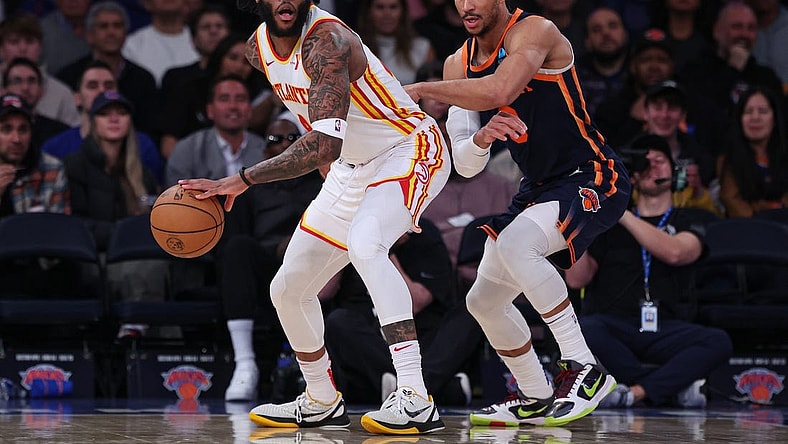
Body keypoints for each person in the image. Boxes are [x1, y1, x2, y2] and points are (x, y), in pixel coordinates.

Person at [179, 0, 450, 435]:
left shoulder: (328, 39)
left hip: (407, 148)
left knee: (366, 245)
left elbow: (325, 143)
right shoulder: (256, 49)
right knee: (287, 288)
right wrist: (330, 153)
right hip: (352, 167)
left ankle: (416, 396)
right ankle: (321, 397)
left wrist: (242, 179)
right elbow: (319, 120)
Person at [404, 0, 631, 427]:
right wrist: (482, 138)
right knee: (483, 302)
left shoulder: (535, 31)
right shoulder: (458, 62)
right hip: (538, 187)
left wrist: (421, 90)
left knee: (516, 243)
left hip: (592, 172)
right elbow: (466, 165)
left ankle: (585, 366)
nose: (467, 6)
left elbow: (500, 91)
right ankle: (535, 393)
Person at [564, 133, 732, 409]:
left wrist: (620, 210)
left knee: (718, 341)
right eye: (646, 162)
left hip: (665, 327)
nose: (653, 166)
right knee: (584, 328)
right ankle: (666, 389)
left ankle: (634, 392)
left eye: (660, 160)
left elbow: (676, 253)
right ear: (632, 175)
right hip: (614, 325)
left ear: (674, 170)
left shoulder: (687, 219)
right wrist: (577, 223)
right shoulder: (605, 223)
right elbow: (577, 278)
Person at [219, 114, 323, 402]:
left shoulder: (322, 181)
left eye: (292, 138)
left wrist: (298, 243)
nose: (284, 144)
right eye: (275, 140)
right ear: (265, 151)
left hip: (314, 263)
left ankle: (316, 373)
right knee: (237, 248)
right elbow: (234, 240)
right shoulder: (250, 187)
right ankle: (245, 363)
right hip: (266, 267)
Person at [41, 60, 164, 184]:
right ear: (77, 98)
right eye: (92, 86)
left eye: (109, 86)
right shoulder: (55, 147)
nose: (101, 91)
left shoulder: (143, 145)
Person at [56, 1, 160, 137]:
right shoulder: (69, 76)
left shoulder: (143, 79)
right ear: (90, 36)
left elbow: (149, 129)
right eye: (103, 26)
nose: (111, 32)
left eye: (117, 26)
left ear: (126, 34)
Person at [165, 74, 266, 188]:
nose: (233, 106)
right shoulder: (186, 150)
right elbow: (176, 197)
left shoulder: (264, 150)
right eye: (224, 99)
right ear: (210, 110)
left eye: (240, 99)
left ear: (249, 109)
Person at [717, 85, 788, 217]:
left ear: (775, 119)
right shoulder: (728, 161)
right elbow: (732, 200)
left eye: (763, 111)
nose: (755, 117)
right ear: (740, 120)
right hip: (748, 231)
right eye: (748, 111)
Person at [0, 13, 81, 127]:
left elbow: (74, 137)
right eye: (14, 42)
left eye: (29, 41)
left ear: (40, 47)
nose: (23, 49)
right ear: (1, 48)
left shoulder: (62, 94)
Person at [0, 92, 69, 217]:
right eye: (6, 129)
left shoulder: (51, 168)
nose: (16, 139)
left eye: (23, 130)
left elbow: (60, 229)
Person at [356, 0, 434, 85]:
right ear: (369, 12)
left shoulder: (422, 47)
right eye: (380, 7)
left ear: (403, 12)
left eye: (393, 7)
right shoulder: (356, 48)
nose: (387, 14)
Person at [2, 57, 70, 149]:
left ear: (41, 91)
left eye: (31, 81)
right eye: (17, 81)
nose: (25, 87)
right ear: (4, 91)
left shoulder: (60, 133)